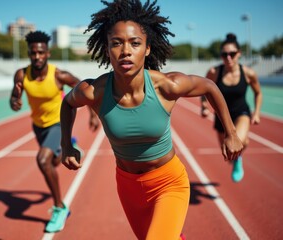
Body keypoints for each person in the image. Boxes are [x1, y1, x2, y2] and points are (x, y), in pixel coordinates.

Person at [60, 1, 243, 239]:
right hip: (128, 187)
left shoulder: (166, 87)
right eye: (116, 43)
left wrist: (231, 133)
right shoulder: (94, 91)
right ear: (107, 49)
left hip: (169, 182)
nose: (126, 50)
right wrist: (66, 145)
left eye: (135, 43)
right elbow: (67, 103)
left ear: (147, 48)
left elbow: (209, 86)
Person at [9, 30, 99, 233]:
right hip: (38, 126)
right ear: (29, 53)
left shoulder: (58, 75)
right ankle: (70, 146)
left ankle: (60, 208)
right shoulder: (22, 75)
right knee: (54, 162)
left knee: (42, 160)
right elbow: (14, 99)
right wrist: (15, 100)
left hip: (57, 123)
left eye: (41, 53)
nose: (37, 57)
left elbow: (85, 89)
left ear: (47, 53)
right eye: (33, 53)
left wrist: (93, 115)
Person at [201, 33, 262, 183]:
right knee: (228, 152)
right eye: (224, 54)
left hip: (242, 112)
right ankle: (237, 155)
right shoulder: (214, 72)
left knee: (237, 142)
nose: (228, 57)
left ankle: (238, 159)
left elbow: (258, 93)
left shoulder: (248, 73)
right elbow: (203, 89)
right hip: (221, 116)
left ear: (239, 54)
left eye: (232, 54)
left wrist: (257, 112)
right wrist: (203, 106)